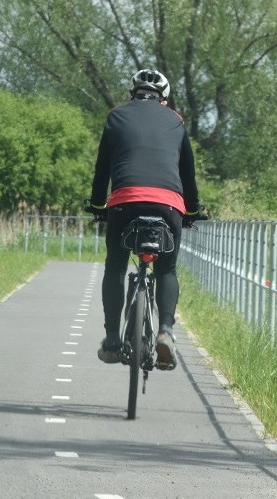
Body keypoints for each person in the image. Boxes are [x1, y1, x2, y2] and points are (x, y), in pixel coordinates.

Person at [86, 69, 202, 371]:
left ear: (131, 94)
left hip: (125, 203)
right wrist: (192, 211)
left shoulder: (116, 116)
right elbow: (187, 174)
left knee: (115, 265)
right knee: (167, 268)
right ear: (163, 99)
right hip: (168, 206)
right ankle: (165, 331)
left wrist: (98, 205)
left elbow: (102, 170)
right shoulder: (176, 121)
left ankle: (112, 338)